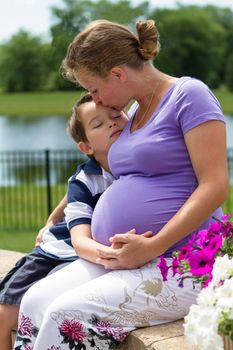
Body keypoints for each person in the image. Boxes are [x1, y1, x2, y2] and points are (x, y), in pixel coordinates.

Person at [13, 19, 228, 350]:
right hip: (127, 257)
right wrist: (57, 216)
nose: (95, 100)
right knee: (34, 301)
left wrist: (152, 246)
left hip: (183, 260)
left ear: (118, 73)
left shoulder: (190, 96)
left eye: (95, 89)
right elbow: (96, 173)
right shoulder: (131, 114)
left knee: (66, 314)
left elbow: (214, 186)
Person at [0, 93, 128, 350]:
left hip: (82, 260)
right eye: (98, 124)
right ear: (87, 147)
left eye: (115, 116)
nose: (112, 123)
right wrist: (52, 219)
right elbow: (75, 189)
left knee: (49, 307)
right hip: (57, 250)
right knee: (3, 316)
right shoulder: (87, 178)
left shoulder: (137, 162)